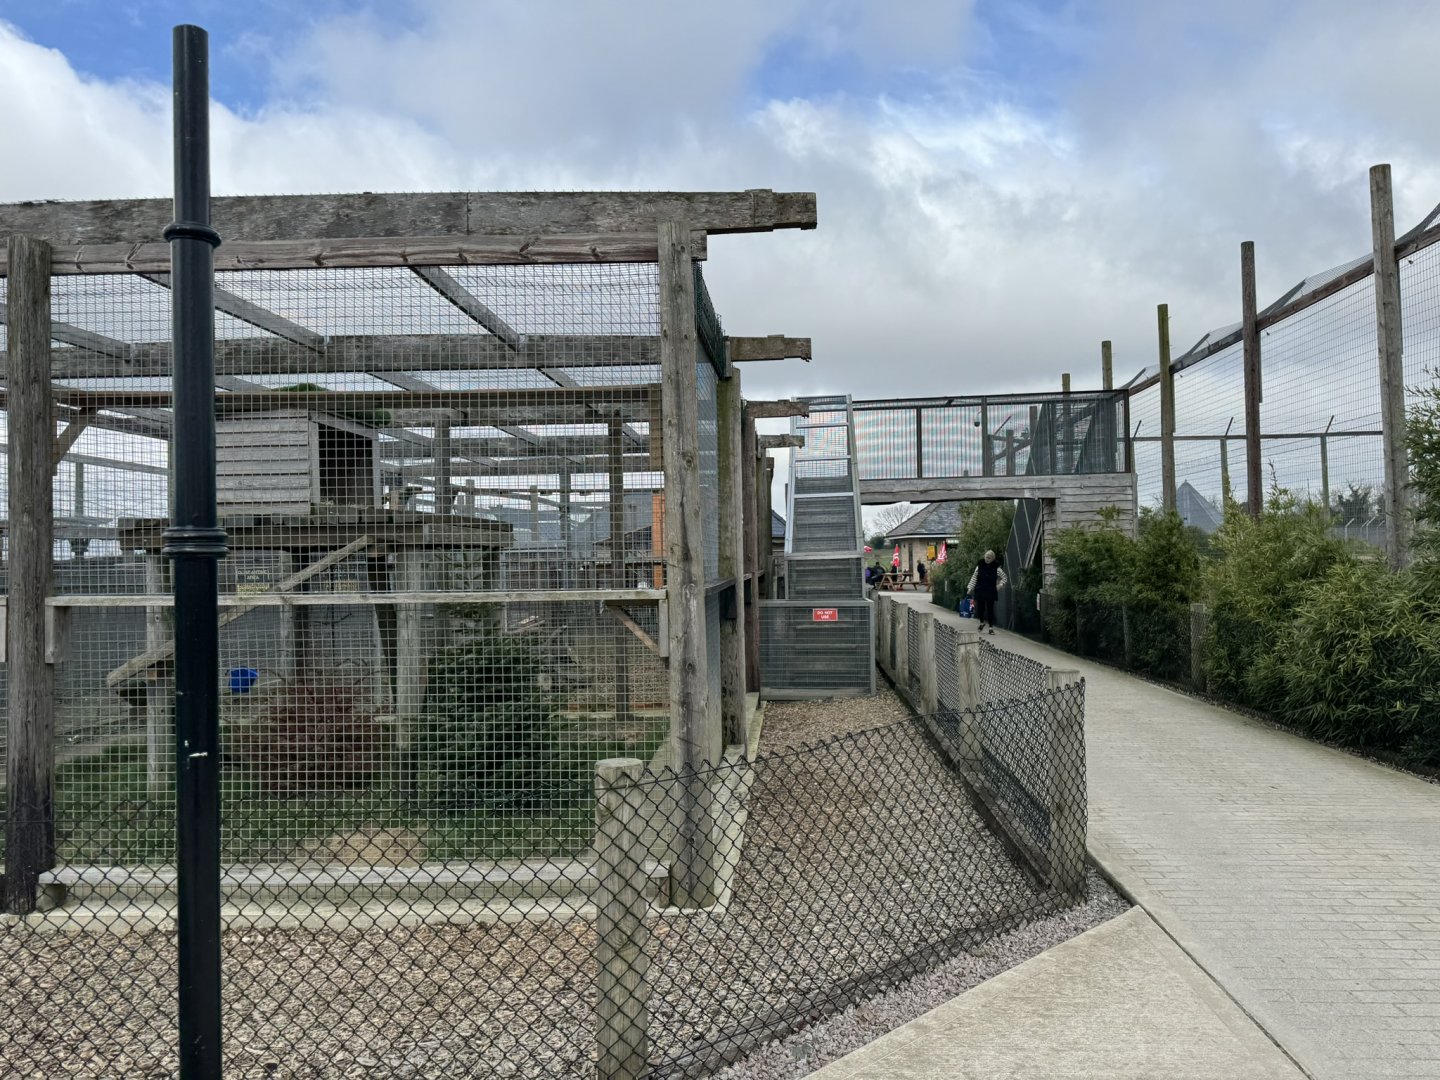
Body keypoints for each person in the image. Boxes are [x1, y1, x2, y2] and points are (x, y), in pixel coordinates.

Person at [966, 550, 1008, 635]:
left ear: (992, 559)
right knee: (980, 608)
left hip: (990, 590)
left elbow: (1005, 577)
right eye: (986, 557)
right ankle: (981, 623)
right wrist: (970, 588)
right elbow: (974, 577)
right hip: (980, 589)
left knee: (990, 609)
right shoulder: (980, 566)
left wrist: (999, 585)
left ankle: (991, 627)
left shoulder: (996, 568)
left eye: (989, 558)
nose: (987, 559)